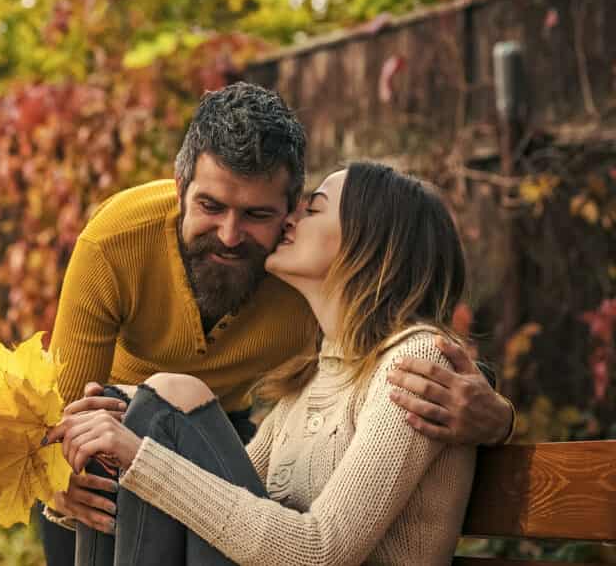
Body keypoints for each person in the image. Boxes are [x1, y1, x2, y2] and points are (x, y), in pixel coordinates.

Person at [40, 83, 513, 562]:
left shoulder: (413, 363)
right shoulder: (314, 374)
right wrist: (73, 475)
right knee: (138, 407)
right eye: (211, 207)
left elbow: (319, 550)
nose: (232, 233)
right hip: (173, 453)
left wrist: (498, 419)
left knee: (167, 400)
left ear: (364, 244)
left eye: (309, 210)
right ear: (182, 191)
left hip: (288, 535)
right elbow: (218, 497)